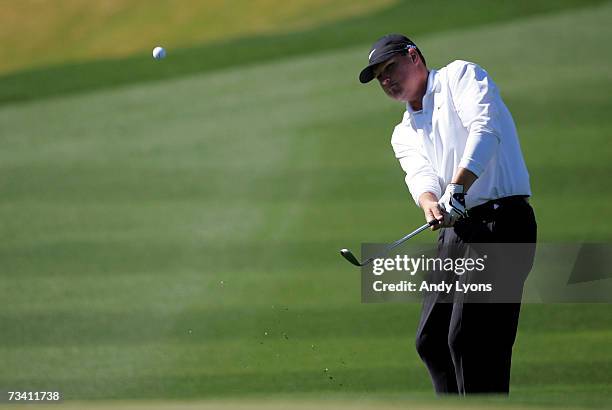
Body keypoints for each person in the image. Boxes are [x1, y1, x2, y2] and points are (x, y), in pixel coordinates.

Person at [358, 34, 537, 395]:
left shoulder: (461, 77)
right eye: (380, 78)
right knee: (433, 341)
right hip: (456, 232)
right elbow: (420, 175)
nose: (387, 80)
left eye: (390, 68)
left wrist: (458, 185)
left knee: (471, 341)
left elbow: (485, 129)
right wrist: (430, 202)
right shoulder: (403, 131)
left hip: (501, 224)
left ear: (414, 56)